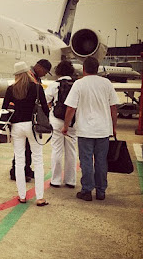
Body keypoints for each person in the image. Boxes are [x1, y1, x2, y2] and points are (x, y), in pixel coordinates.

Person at [61, 56, 118, 201]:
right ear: (97, 69)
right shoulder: (107, 83)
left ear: (84, 69)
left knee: (86, 160)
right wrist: (114, 127)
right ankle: (101, 191)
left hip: (85, 130)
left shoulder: (79, 84)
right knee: (101, 161)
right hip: (103, 130)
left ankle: (87, 191)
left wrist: (66, 125)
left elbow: (71, 108)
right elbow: (113, 107)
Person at [2, 61, 49, 206]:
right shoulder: (36, 87)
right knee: (38, 160)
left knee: (19, 161)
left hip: (17, 127)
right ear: (28, 72)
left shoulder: (11, 89)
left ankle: (22, 196)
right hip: (32, 126)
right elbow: (45, 109)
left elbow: (4, 109)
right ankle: (39, 197)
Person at [9, 59, 52, 181]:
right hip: (29, 121)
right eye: (45, 71)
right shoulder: (32, 81)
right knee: (28, 151)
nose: (45, 74)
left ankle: (24, 169)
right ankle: (18, 171)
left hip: (19, 123)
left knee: (24, 150)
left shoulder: (32, 80)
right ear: (39, 67)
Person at [45, 60, 77, 188]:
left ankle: (56, 180)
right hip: (73, 122)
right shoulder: (76, 85)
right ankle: (70, 180)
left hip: (57, 121)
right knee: (71, 151)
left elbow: (45, 100)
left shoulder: (54, 85)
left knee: (57, 150)